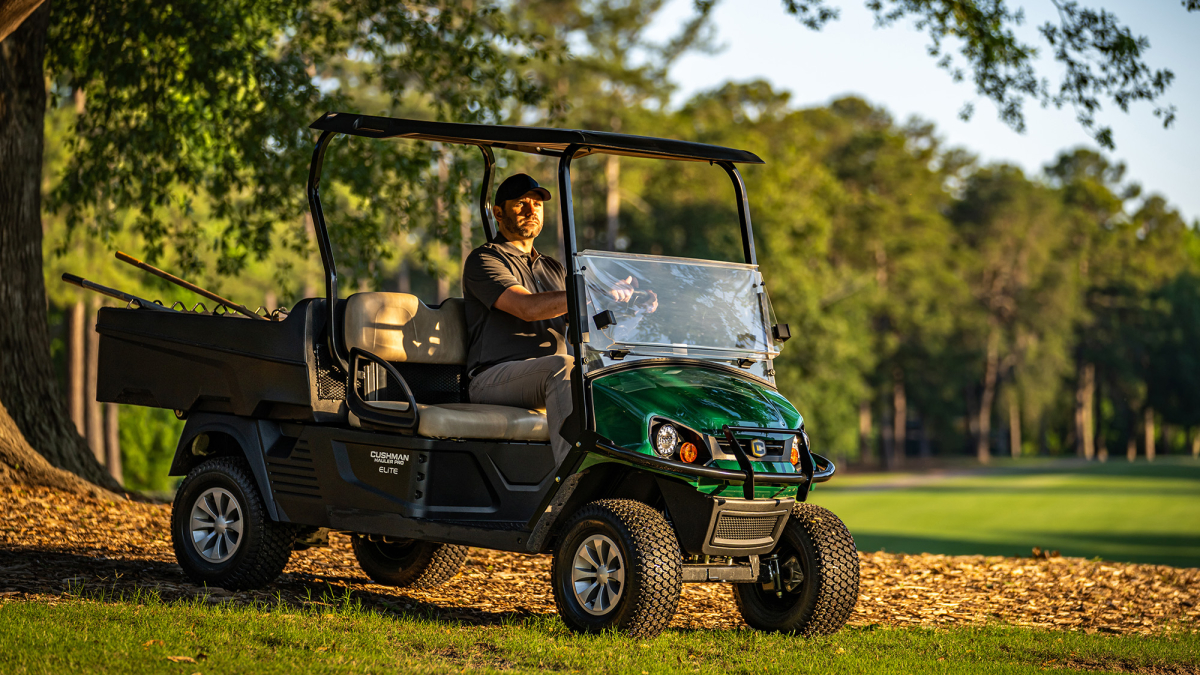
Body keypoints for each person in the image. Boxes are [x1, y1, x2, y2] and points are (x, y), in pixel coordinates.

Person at [462, 173, 652, 462]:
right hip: (493, 378)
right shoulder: (486, 259)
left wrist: (633, 306)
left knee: (618, 375)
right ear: (498, 213)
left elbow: (580, 320)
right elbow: (526, 307)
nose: (531, 210)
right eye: (521, 203)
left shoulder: (551, 267)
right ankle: (574, 483)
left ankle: (634, 473)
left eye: (537, 204)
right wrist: (591, 291)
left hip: (546, 375)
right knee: (564, 367)